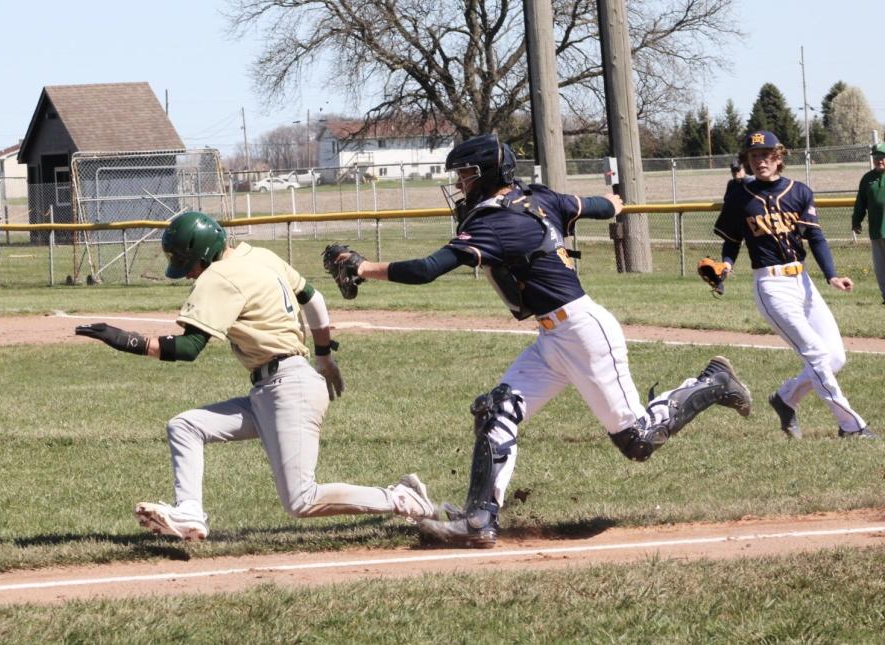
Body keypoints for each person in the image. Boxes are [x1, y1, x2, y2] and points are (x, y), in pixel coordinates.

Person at [333, 134, 752, 548]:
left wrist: (364, 267)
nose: (459, 184)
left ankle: (715, 382)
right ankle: (479, 520)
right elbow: (603, 206)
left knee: (637, 440)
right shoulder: (537, 197)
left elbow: (427, 269)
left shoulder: (497, 221)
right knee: (496, 410)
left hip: (584, 333)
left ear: (487, 174)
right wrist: (612, 201)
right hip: (553, 337)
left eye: (464, 174)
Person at [75, 211, 435, 541]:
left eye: (187, 264)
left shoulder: (218, 278)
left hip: (288, 390)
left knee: (301, 500)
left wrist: (125, 340)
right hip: (276, 386)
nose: (185, 272)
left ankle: (400, 498)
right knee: (186, 426)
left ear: (204, 254)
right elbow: (314, 299)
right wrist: (324, 357)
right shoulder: (259, 255)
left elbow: (188, 348)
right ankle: (189, 514)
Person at [715, 130, 877, 441]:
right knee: (815, 353)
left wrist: (831, 274)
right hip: (770, 286)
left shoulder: (798, 191)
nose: (760, 161)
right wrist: (726, 266)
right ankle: (851, 426)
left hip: (802, 282)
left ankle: (785, 398)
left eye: (766, 155)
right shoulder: (739, 197)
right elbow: (732, 242)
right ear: (747, 162)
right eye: (753, 156)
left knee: (835, 357)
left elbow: (815, 236)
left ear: (778, 157)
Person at [851, 142, 885, 304]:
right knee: (880, 268)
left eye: (883, 157)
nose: (879, 160)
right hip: (876, 230)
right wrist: (856, 221)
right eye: (876, 157)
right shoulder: (867, 179)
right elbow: (860, 203)